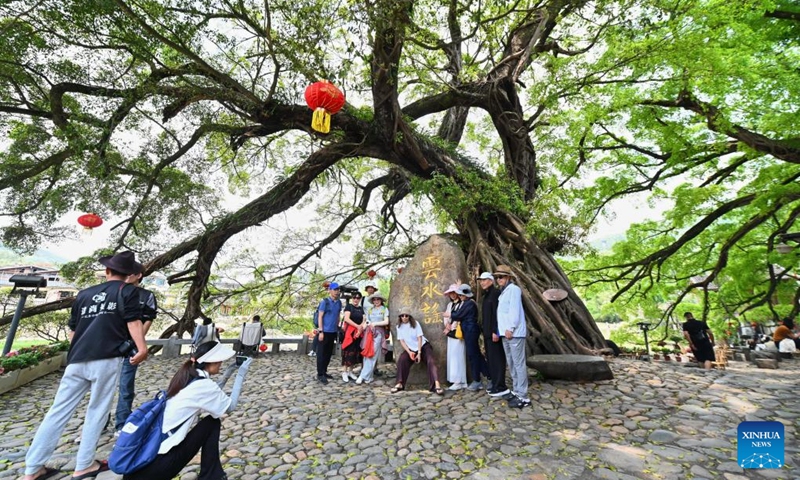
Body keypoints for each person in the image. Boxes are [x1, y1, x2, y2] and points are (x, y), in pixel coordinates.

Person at [22, 251, 147, 480]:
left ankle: (32, 468)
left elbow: (74, 330)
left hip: (77, 360)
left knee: (57, 411)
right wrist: (142, 348)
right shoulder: (128, 292)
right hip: (106, 358)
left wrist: (78, 351)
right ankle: (84, 464)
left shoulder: (84, 294)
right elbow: (133, 321)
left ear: (107, 271)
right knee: (97, 410)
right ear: (130, 275)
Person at [122, 341, 252, 480]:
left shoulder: (187, 377)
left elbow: (212, 394)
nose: (221, 363)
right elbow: (229, 407)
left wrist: (229, 371)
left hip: (143, 464)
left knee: (209, 423)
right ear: (212, 361)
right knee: (211, 423)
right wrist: (241, 374)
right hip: (159, 466)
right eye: (220, 360)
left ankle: (212, 475)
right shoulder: (203, 385)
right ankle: (212, 476)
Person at [113, 271, 159, 435]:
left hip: (130, 347)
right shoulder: (115, 291)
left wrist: (138, 342)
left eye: (130, 272)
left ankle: (121, 423)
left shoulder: (146, 295)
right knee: (102, 388)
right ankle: (98, 423)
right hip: (110, 345)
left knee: (126, 386)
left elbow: (148, 318)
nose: (126, 275)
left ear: (138, 275)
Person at [494, 265, 530, 408]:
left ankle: (523, 396)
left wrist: (511, 328)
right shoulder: (503, 292)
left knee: (518, 363)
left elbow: (514, 310)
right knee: (511, 363)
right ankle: (516, 390)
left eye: (501, 277)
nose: (498, 279)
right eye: (497, 277)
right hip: (505, 333)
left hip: (513, 333)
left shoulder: (514, 290)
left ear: (508, 277)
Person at [391, 308, 444, 395]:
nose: (404, 317)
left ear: (409, 316)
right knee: (402, 359)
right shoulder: (398, 327)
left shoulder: (415, 324)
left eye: (406, 316)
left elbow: (419, 338)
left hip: (423, 346)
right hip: (410, 349)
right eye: (402, 316)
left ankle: (436, 384)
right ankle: (399, 383)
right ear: (400, 317)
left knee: (431, 360)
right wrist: (409, 352)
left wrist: (419, 353)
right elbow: (402, 341)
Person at [451, 284, 489, 391]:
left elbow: (457, 315)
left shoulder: (469, 304)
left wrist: (450, 313)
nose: (460, 296)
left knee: (473, 355)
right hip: (469, 331)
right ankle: (487, 375)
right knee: (475, 354)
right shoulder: (466, 303)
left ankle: (479, 379)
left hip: (471, 331)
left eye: (461, 294)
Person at [478, 272, 509, 398]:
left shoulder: (496, 294)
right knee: (490, 359)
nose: (482, 283)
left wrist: (496, 331)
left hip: (494, 333)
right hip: (486, 333)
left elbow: (498, 314)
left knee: (497, 359)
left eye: (484, 280)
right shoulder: (486, 296)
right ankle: (495, 384)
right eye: (481, 281)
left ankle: (500, 385)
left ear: (491, 281)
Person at [357, 292, 389, 384]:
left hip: (378, 333)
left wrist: (374, 324)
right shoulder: (370, 310)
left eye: (378, 299)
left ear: (381, 300)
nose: (376, 301)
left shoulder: (384, 309)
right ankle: (369, 377)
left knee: (373, 354)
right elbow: (366, 321)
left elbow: (386, 321)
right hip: (368, 334)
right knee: (366, 353)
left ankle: (362, 376)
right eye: (374, 299)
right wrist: (360, 330)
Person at [441, 284, 467, 391]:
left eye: (454, 292)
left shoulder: (462, 304)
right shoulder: (449, 305)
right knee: (452, 356)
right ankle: (453, 379)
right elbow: (446, 317)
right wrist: (447, 325)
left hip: (458, 333)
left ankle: (460, 381)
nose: (452, 295)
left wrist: (451, 326)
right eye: (450, 293)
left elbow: (459, 318)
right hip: (450, 334)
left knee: (458, 356)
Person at [316, 282, 342, 384]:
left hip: (333, 331)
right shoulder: (325, 302)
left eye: (338, 290)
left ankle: (325, 371)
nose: (337, 292)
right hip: (324, 331)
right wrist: (321, 331)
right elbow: (320, 316)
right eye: (335, 290)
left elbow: (338, 315)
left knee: (328, 353)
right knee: (321, 353)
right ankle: (320, 374)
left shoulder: (339, 303)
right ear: (330, 290)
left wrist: (338, 327)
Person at [340, 291, 365, 382]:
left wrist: (360, 327)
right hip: (350, 332)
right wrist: (357, 326)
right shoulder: (349, 307)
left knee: (355, 352)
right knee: (348, 351)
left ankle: (350, 371)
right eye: (354, 297)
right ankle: (344, 371)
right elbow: (347, 318)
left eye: (358, 298)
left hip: (358, 332)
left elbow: (364, 319)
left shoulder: (361, 308)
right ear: (352, 298)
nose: (356, 299)